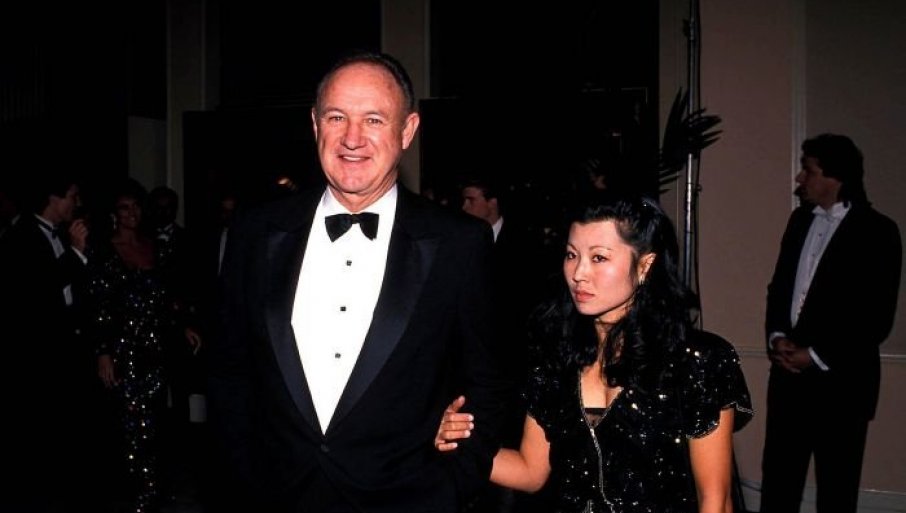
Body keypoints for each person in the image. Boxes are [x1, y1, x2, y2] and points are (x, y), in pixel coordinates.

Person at [205, 50, 509, 513]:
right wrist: (242, 480)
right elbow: (229, 370)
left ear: (407, 130)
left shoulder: (459, 244)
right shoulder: (256, 231)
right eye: (336, 117)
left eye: (373, 120)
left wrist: (450, 486)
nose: (352, 138)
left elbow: (488, 384)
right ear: (315, 125)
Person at [437, 191, 753, 513]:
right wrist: (452, 441)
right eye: (571, 255)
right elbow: (530, 472)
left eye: (599, 258)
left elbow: (715, 500)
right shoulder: (556, 357)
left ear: (645, 265)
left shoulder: (697, 361)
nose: (579, 273)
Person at [759, 134, 902, 513]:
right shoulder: (799, 221)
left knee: (838, 489)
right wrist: (777, 336)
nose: (799, 178)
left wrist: (817, 354)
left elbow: (875, 316)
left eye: (808, 170)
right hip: (788, 381)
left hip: (843, 383)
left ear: (835, 176)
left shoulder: (879, 231)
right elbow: (779, 288)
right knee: (778, 485)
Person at [85, 178, 201, 513]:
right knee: (130, 423)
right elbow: (99, 305)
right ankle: (135, 492)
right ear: (114, 213)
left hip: (156, 347)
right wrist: (103, 352)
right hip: (123, 350)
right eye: (124, 207)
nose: (132, 213)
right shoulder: (104, 249)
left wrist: (183, 326)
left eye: (136, 205)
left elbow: (166, 298)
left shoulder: (154, 246)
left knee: (156, 419)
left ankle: (152, 488)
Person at [0, 169, 95, 512]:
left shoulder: (59, 234)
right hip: (38, 356)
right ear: (54, 198)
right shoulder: (21, 236)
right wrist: (76, 253)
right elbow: (37, 291)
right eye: (72, 195)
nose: (77, 203)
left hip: (66, 348)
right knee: (39, 435)